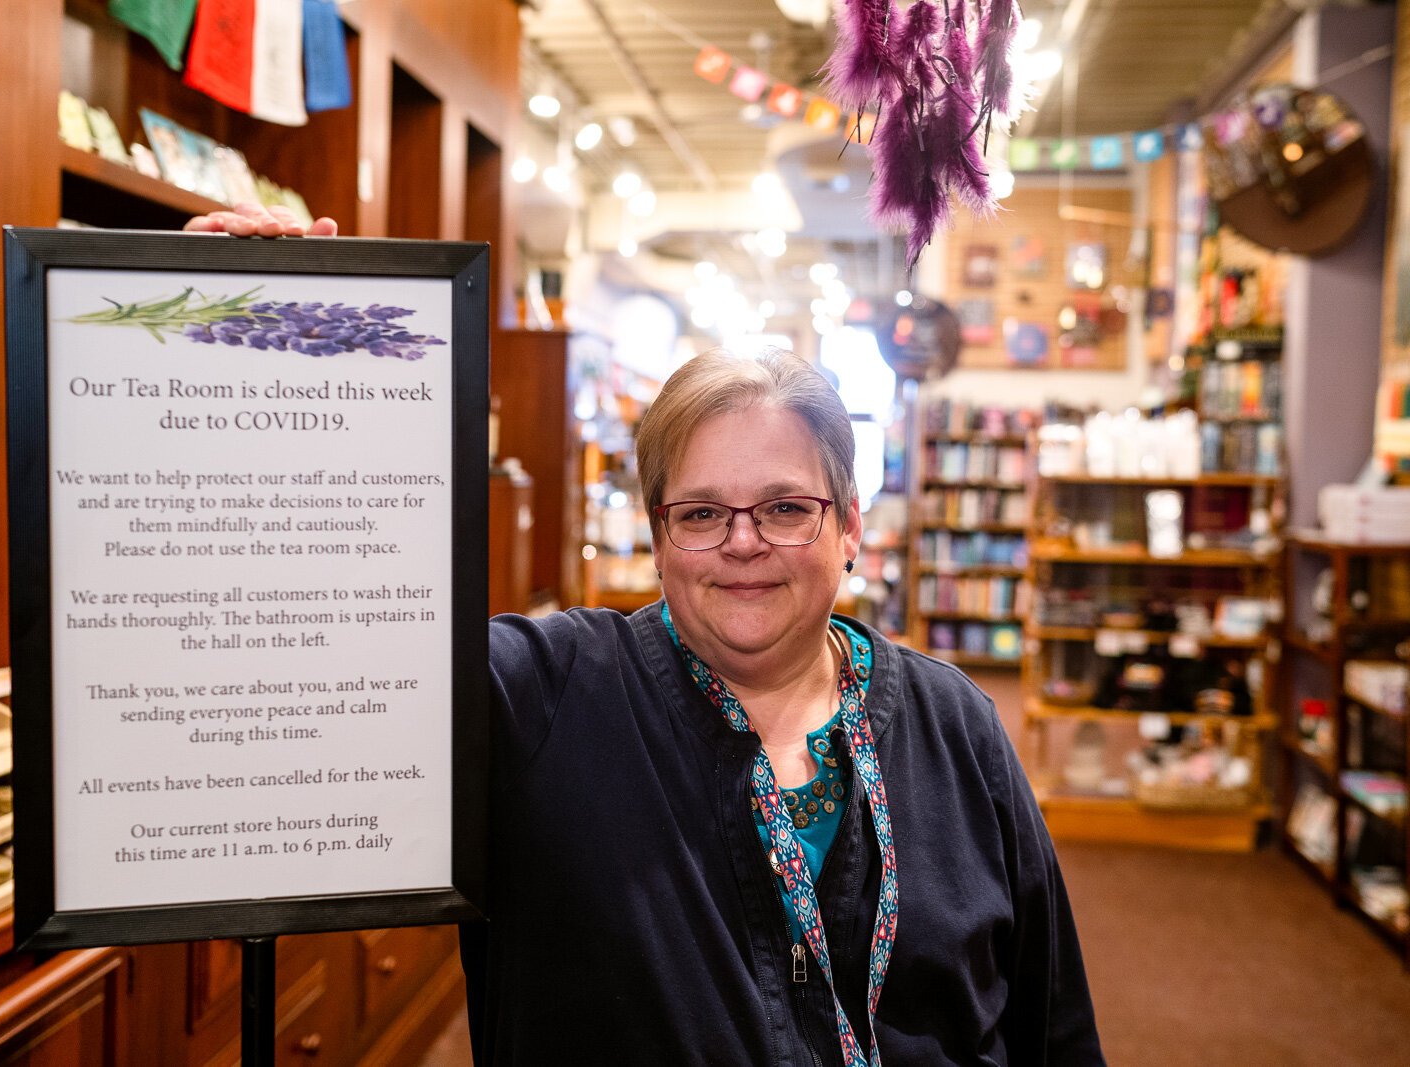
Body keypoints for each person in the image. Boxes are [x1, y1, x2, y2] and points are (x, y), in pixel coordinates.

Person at [187, 204, 1105, 1066]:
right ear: (659, 532)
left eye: (786, 507)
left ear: (852, 522)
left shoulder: (957, 726)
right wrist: (245, 347)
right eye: (702, 513)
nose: (742, 544)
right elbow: (328, 643)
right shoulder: (548, 693)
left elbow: (1051, 1021)